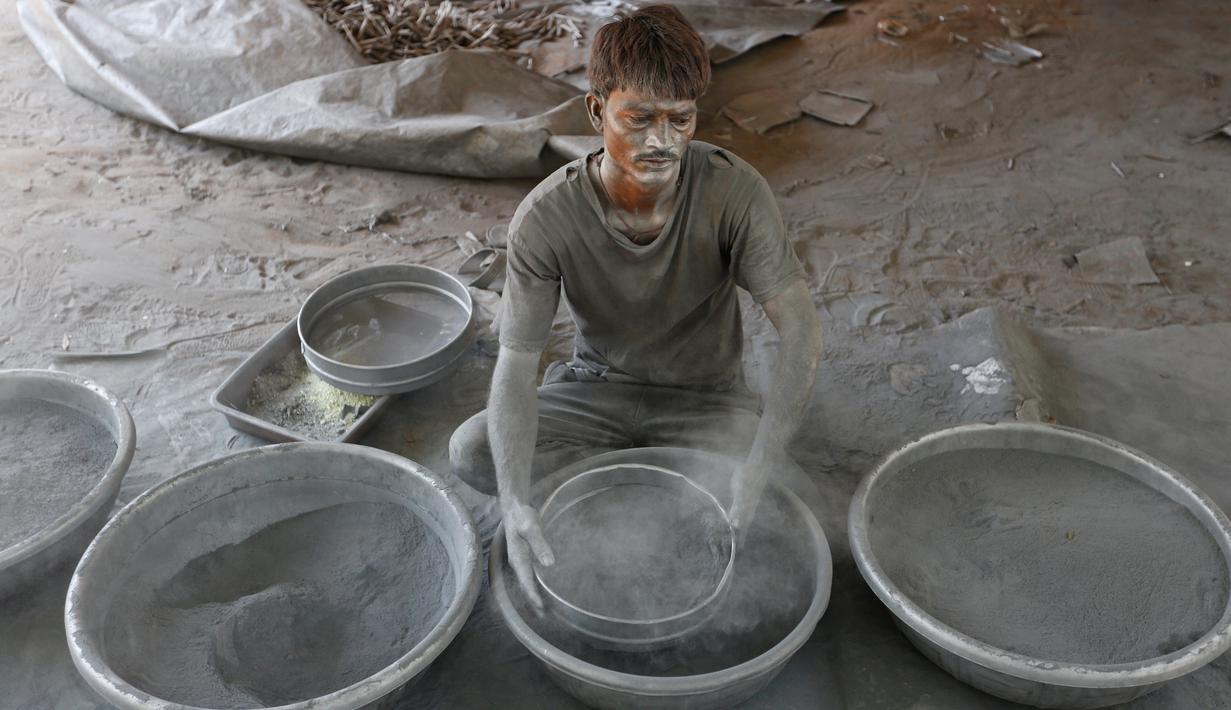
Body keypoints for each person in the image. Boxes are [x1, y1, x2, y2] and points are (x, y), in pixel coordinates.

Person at [448, 5, 823, 607]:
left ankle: (637, 476)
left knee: (793, 501)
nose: (661, 142)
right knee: (473, 451)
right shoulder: (546, 217)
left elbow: (800, 327)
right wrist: (514, 501)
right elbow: (516, 364)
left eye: (681, 119)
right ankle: (643, 479)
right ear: (597, 111)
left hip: (705, 401)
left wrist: (759, 460)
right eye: (639, 118)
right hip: (596, 392)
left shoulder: (736, 192)